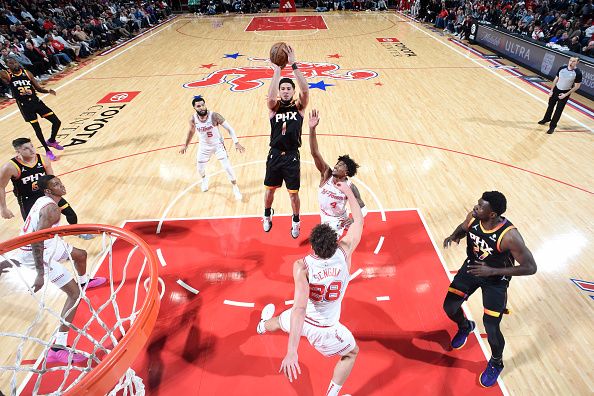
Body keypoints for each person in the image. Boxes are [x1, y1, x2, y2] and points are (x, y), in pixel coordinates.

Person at [257, 181, 363, 396]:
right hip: (325, 329)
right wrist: (348, 192)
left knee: (280, 321)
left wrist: (292, 352)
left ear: (313, 245)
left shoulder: (302, 266)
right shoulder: (345, 251)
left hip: (304, 322)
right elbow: (358, 220)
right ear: (335, 242)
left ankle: (260, 326)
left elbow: (300, 309)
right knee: (351, 353)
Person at [1, 175, 106, 363]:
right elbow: (36, 240)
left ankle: (84, 282)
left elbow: (43, 232)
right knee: (74, 295)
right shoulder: (51, 210)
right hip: (36, 253)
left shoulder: (46, 201)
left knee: (80, 255)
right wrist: (40, 273)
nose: (61, 185)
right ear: (48, 191)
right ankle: (57, 348)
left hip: (49, 244)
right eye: (56, 184)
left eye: (60, 181)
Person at [442, 191, 537, 387]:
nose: (475, 207)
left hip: (496, 279)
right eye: (477, 204)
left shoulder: (510, 236)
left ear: (492, 214)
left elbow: (530, 267)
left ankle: (496, 362)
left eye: (480, 206)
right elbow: (463, 227)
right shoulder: (474, 217)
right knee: (449, 307)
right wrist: (454, 236)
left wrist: (492, 270)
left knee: (491, 325)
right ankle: (465, 326)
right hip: (473, 268)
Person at [0, 138, 93, 238]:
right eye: (26, 148)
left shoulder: (43, 159)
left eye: (32, 146)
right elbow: (1, 187)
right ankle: (40, 248)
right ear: (18, 152)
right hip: (27, 199)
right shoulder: (10, 167)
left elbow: (51, 179)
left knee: (70, 213)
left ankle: (76, 232)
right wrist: (3, 208)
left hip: (46, 193)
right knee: (34, 230)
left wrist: (57, 193)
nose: (32, 150)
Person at [263, 44, 309, 238]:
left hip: (291, 156)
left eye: (289, 88)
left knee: (293, 194)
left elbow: (305, 91)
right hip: (274, 154)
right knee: (269, 192)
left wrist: (294, 65)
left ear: (292, 91)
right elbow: (271, 96)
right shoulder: (274, 107)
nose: (285, 91)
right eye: (283, 88)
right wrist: (277, 71)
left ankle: (296, 220)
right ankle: (267, 215)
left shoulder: (298, 107)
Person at [308, 109, 366, 237]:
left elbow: (362, 207)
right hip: (324, 215)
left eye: (341, 166)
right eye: (337, 163)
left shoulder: (350, 187)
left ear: (346, 172)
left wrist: (355, 219)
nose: (336, 166)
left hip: (338, 220)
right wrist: (312, 129)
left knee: (325, 246)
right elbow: (314, 152)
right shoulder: (326, 174)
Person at [180, 96, 245, 200]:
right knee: (199, 169)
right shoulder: (193, 119)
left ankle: (235, 188)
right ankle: (205, 179)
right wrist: (186, 145)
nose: (201, 107)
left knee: (227, 167)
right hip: (204, 146)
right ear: (194, 108)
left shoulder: (214, 116)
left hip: (217, 145)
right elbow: (191, 132)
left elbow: (230, 129)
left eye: (203, 105)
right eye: (198, 106)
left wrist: (236, 142)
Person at [0, 57, 64, 160]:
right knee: (37, 129)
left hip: (36, 101)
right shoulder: (6, 74)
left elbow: (38, 88)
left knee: (57, 122)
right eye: (11, 63)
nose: (14, 64)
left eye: (15, 62)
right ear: (7, 66)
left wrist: (48, 91)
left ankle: (51, 141)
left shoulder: (27, 72)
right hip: (25, 106)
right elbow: (4, 77)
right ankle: (47, 150)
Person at [538, 57, 582, 134]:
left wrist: (566, 94)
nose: (571, 62)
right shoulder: (562, 68)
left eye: (574, 61)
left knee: (558, 110)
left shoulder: (578, 73)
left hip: (565, 92)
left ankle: (552, 127)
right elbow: (556, 79)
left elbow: (577, 86)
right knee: (550, 106)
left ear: (577, 62)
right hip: (556, 90)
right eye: (570, 60)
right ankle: (546, 118)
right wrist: (551, 90)